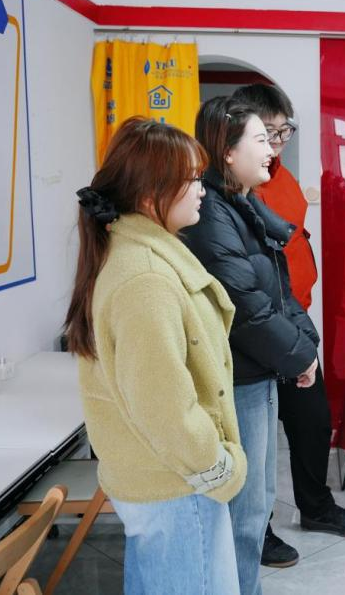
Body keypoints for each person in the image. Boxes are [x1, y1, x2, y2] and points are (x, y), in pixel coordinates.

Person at [64, 117, 246, 594]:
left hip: (161, 480)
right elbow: (164, 405)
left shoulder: (132, 256)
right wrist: (217, 467)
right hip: (177, 484)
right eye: (191, 178)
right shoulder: (145, 277)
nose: (202, 189)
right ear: (151, 194)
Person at [182, 97, 319, 595]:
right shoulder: (212, 215)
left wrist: (305, 346)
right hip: (238, 378)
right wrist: (300, 354)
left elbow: (277, 289)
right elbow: (246, 307)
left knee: (257, 502)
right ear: (228, 152)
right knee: (244, 511)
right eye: (261, 139)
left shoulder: (241, 203)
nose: (272, 150)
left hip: (259, 371)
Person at [232, 84, 345, 569]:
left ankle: (315, 507)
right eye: (267, 133)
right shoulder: (235, 190)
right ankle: (258, 529)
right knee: (257, 442)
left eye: (283, 131)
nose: (277, 143)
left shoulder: (282, 178)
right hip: (258, 329)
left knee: (311, 421)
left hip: (292, 318)